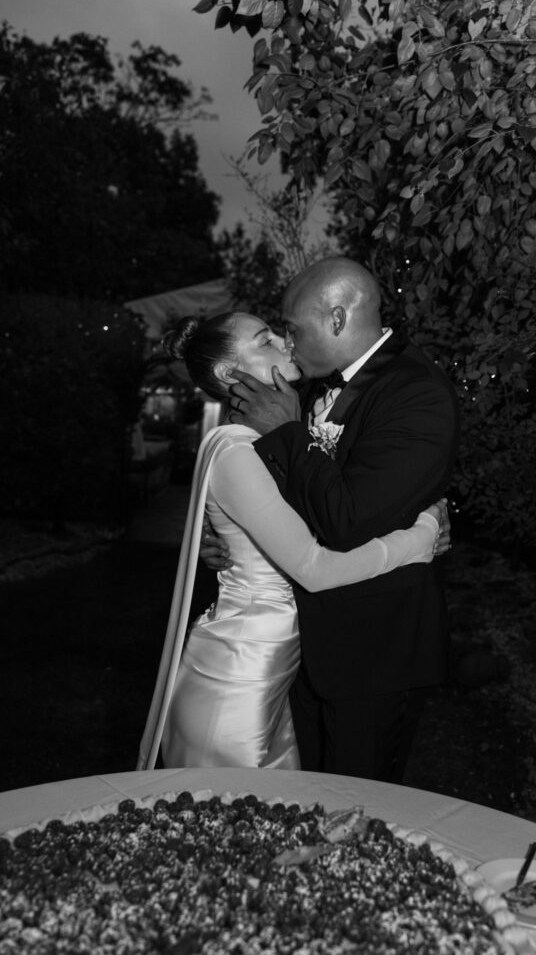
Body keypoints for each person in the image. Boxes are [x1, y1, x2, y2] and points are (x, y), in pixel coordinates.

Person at [137, 310, 446, 772]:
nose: (285, 342)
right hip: (238, 677)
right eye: (266, 340)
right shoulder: (237, 451)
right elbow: (313, 568)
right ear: (229, 373)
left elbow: (334, 503)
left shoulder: (275, 432)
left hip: (276, 674)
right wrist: (420, 536)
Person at [214, 256, 460, 783]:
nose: (287, 342)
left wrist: (290, 433)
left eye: (292, 328)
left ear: (338, 318)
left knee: (357, 807)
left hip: (372, 653)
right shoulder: (304, 388)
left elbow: (347, 521)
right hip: (296, 648)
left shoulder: (416, 392)